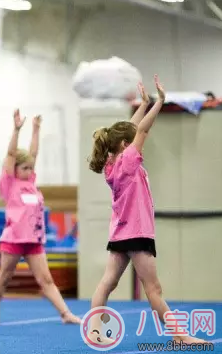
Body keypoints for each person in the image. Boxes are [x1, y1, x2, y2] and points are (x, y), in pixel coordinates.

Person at [87, 77, 206, 345]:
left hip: (119, 233)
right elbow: (140, 131)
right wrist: (159, 103)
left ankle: (93, 329)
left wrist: (144, 103)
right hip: (137, 232)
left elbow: (130, 130)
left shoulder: (111, 164)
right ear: (124, 146)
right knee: (154, 289)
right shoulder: (128, 161)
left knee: (106, 283)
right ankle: (180, 335)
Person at [0, 109, 80, 324]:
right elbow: (11, 155)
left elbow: (34, 152)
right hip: (14, 239)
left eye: (31, 168)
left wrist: (36, 129)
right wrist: (17, 129)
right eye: (25, 168)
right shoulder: (10, 183)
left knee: (46, 279)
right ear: (13, 169)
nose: (30, 171)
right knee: (4, 278)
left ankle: (66, 314)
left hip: (34, 240)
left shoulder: (30, 183)